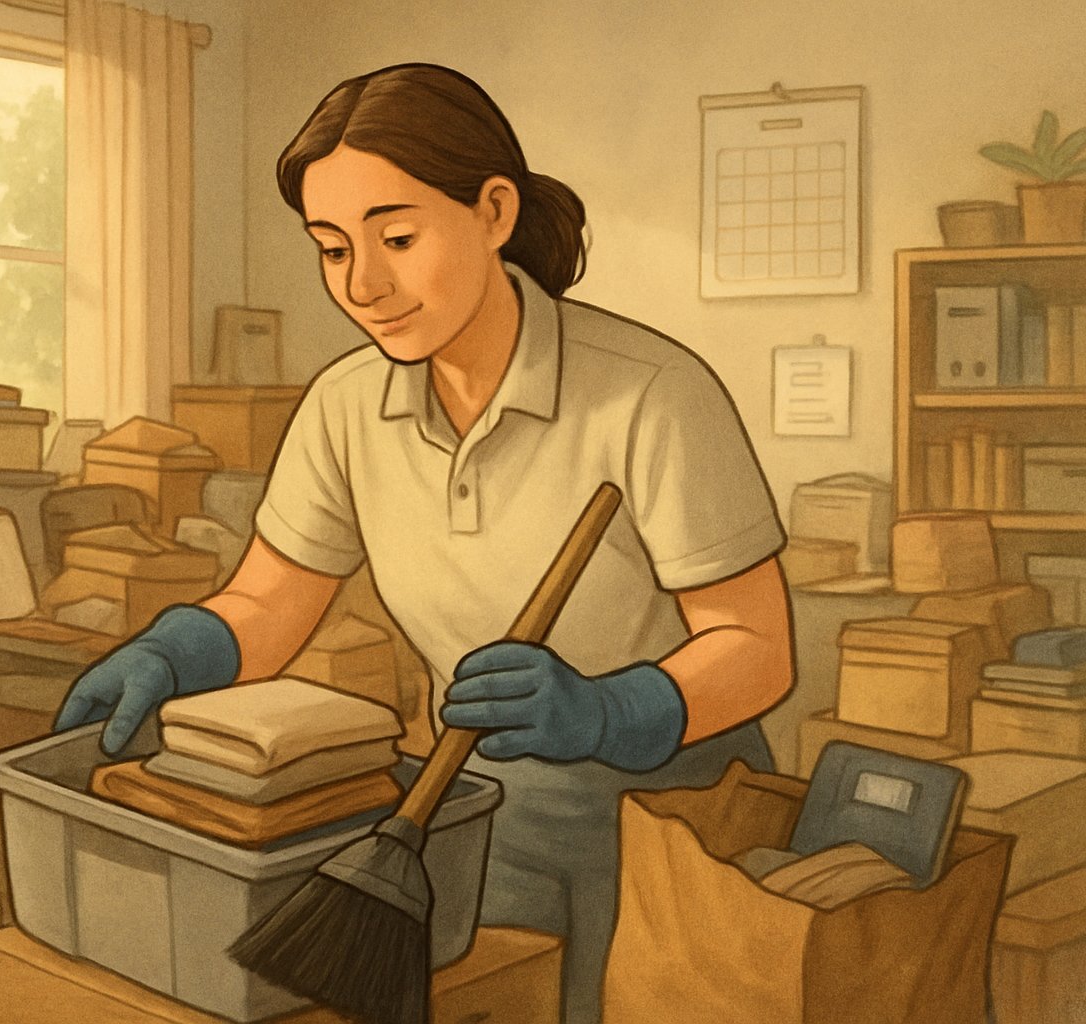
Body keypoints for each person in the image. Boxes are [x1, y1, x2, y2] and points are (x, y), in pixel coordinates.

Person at [55, 62, 794, 1024]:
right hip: (470, 807)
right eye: (331, 250)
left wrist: (613, 710)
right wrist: (179, 648)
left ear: (492, 210)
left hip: (674, 816)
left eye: (397, 237)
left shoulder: (649, 393)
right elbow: (272, 602)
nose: (364, 284)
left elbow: (760, 647)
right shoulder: (346, 406)